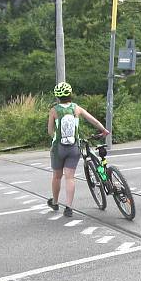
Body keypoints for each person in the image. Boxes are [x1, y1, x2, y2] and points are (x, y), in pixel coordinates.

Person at [47, 81, 109, 217]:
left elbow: (50, 131)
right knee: (70, 178)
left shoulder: (54, 110)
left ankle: (55, 202)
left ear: (57, 96)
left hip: (58, 148)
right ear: (70, 94)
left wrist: (55, 138)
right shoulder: (76, 108)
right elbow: (93, 120)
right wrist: (103, 130)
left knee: (57, 177)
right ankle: (69, 207)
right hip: (74, 147)